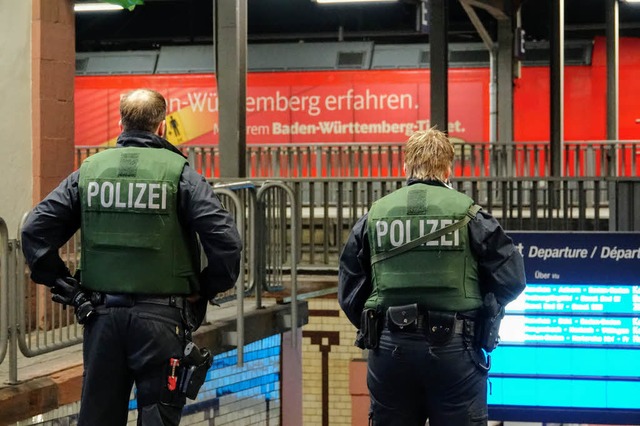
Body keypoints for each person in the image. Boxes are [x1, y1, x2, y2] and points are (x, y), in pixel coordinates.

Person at [21, 88, 243, 426]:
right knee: (158, 416)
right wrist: (206, 287)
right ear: (163, 127)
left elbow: (34, 229)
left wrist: (67, 286)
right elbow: (226, 241)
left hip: (101, 319)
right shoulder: (180, 174)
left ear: (121, 123)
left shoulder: (90, 171)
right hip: (163, 323)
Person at [338, 128, 526, 426]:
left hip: (389, 350)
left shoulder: (373, 216)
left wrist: (378, 324)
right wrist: (483, 304)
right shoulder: (470, 214)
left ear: (405, 165)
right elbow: (513, 279)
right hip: (455, 350)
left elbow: (349, 289)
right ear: (448, 168)